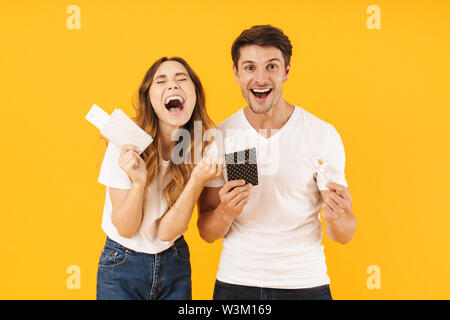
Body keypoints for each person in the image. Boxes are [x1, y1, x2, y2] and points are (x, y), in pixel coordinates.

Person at [198, 25, 357, 300]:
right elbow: (207, 233)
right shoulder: (219, 137)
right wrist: (225, 212)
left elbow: (344, 234)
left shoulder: (321, 134)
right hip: (237, 283)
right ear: (236, 74)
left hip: (305, 282)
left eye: (271, 66)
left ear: (286, 72)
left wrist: (335, 218)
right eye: (250, 67)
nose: (260, 78)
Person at [96, 57, 222, 300]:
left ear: (195, 93)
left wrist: (196, 180)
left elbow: (166, 233)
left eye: (182, 79)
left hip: (174, 260)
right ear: (149, 98)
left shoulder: (204, 145)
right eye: (161, 81)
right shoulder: (126, 142)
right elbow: (125, 227)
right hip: (120, 262)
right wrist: (139, 184)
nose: (173, 86)